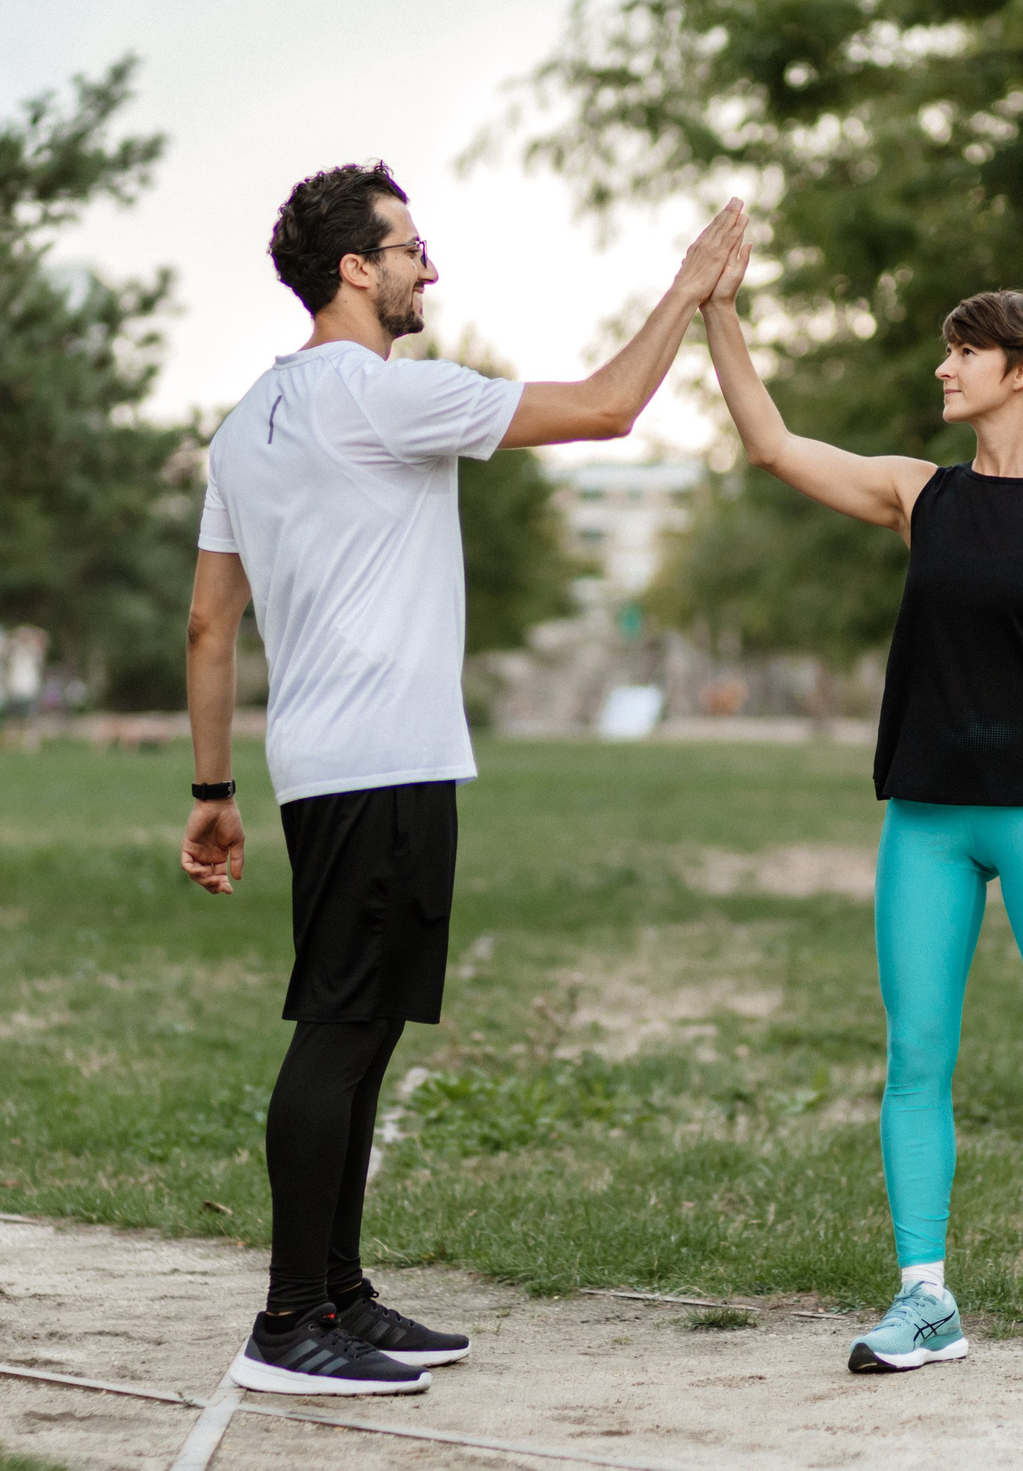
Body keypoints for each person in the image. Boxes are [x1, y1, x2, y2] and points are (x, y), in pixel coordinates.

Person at [182, 162, 745, 1398]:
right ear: (355, 268)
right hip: (380, 760)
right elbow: (607, 409)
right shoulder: (384, 395)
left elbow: (209, 627)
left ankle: (339, 1294)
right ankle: (287, 1323)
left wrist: (211, 792)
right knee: (340, 1027)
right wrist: (688, 291)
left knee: (366, 1024)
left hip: (327, 765)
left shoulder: (244, 425)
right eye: (409, 248)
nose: (426, 267)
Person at [698, 247, 1023, 1371]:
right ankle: (925, 1298)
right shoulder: (922, 494)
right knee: (916, 1056)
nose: (943, 367)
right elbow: (770, 443)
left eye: (963, 351)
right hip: (926, 820)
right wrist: (717, 310)